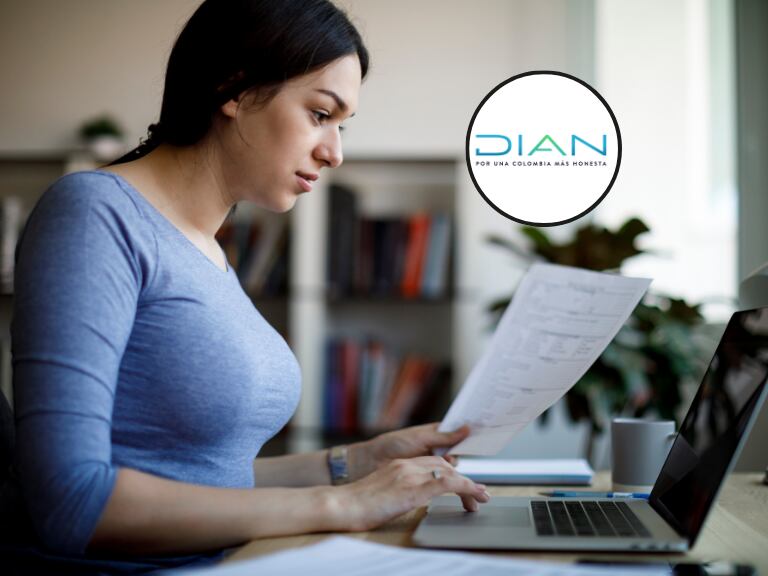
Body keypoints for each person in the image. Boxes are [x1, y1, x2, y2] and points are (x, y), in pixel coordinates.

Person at [1, 0, 489, 573]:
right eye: (320, 114)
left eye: (342, 125)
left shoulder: (209, 250)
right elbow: (71, 502)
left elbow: (202, 479)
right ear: (233, 89)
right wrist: (342, 504)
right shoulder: (94, 215)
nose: (335, 152)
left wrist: (357, 462)